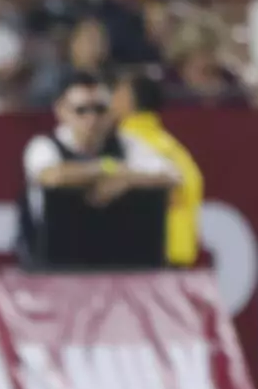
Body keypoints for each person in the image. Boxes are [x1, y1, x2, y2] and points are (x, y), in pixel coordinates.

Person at [18, 71, 181, 270]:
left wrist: (127, 180)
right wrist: (106, 169)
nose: (92, 118)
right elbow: (52, 176)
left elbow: (172, 175)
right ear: (61, 111)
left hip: (119, 266)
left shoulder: (126, 143)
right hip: (55, 269)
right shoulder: (44, 146)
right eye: (81, 110)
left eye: (100, 109)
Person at [112, 67, 204, 268]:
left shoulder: (128, 144)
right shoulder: (175, 148)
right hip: (178, 254)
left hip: (150, 255)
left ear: (129, 100)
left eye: (116, 93)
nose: (111, 99)